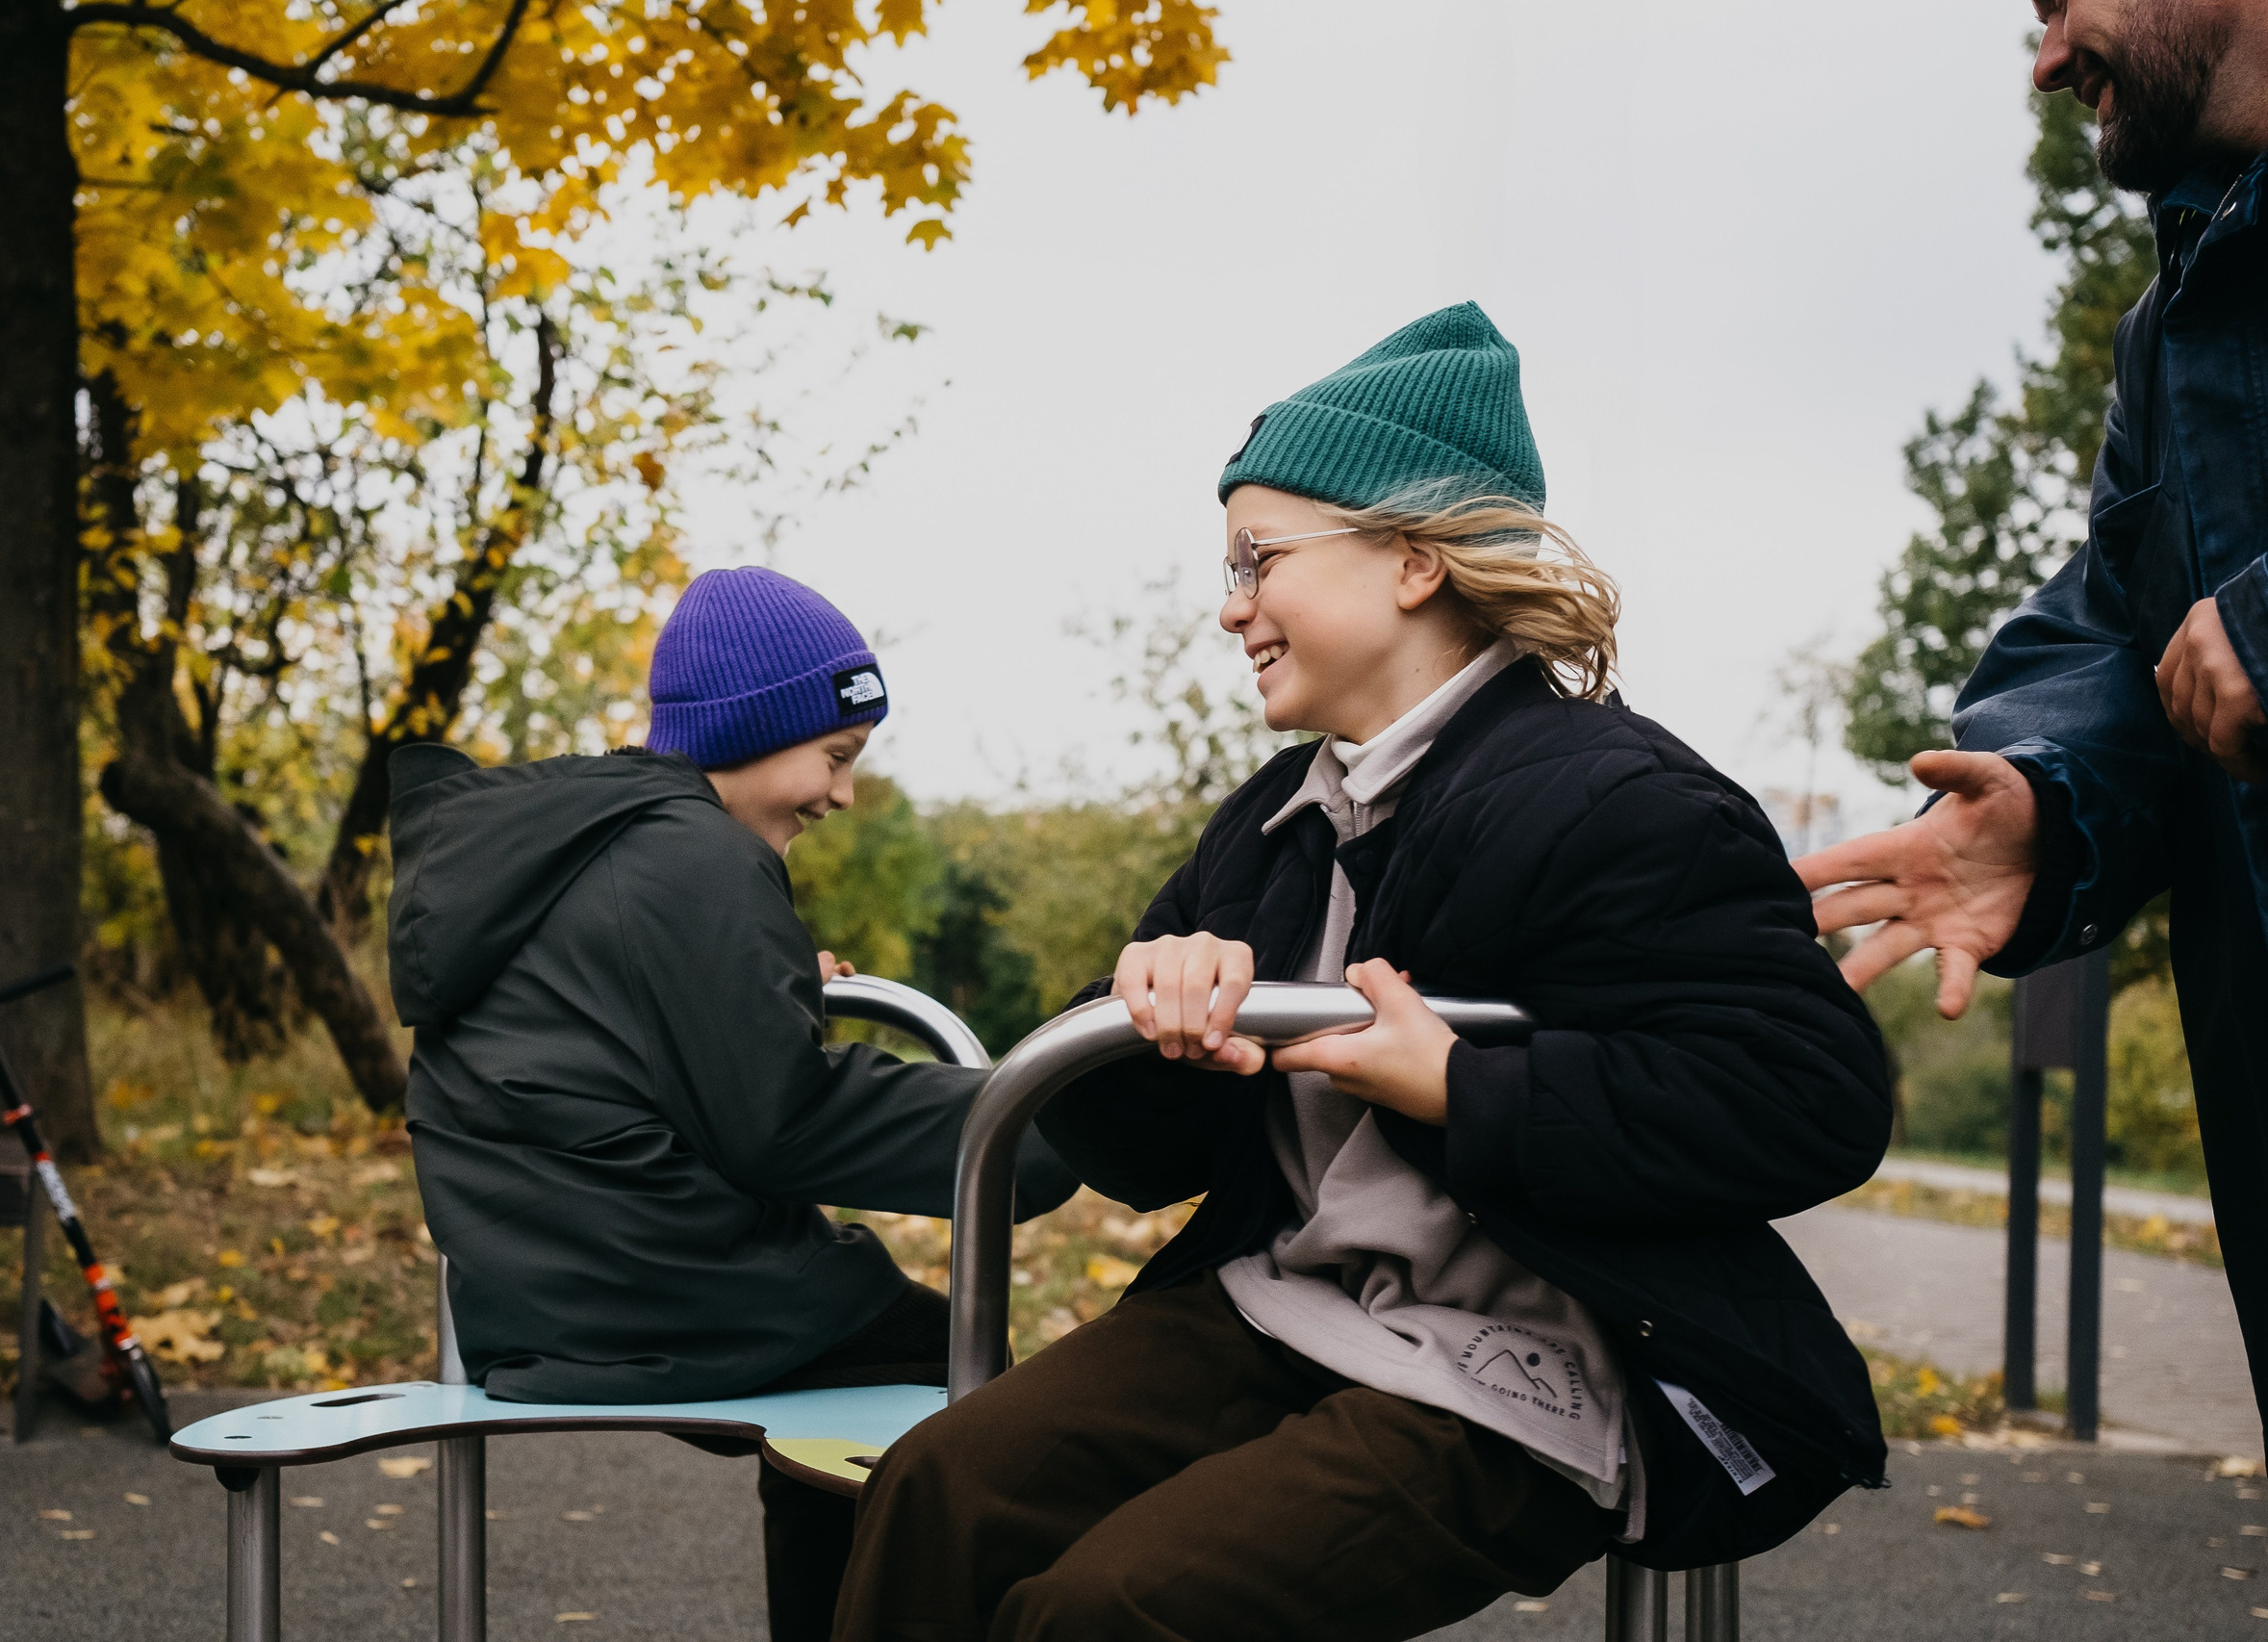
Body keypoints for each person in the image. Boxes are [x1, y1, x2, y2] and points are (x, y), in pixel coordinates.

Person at [829, 305, 1894, 1642]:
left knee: (1109, 1611)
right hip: (1290, 1299)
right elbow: (1142, 1153)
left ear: (1409, 561)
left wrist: (1469, 1084)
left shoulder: (1620, 799)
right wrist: (1149, 1012)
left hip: (1519, 1358)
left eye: (1259, 558)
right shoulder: (1281, 817)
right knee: (938, 1487)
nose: (1230, 607)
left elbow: (1810, 1095)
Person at [387, 566, 1078, 1642]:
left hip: (533, 1293)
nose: (841, 794)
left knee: (869, 1379)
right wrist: (1027, 1127)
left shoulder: (578, 842)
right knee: (956, 1376)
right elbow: (782, 1121)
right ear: (754, 728)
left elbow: (625, 1028)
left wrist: (767, 987)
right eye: (836, 756)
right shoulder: (697, 853)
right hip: (659, 1287)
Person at [1795, 1, 2268, 1422]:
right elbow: (2125, 636)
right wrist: (2047, 796)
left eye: (2065, 3)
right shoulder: (2172, 331)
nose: (2050, 58)